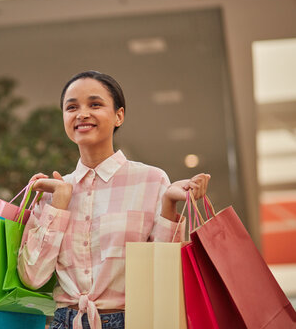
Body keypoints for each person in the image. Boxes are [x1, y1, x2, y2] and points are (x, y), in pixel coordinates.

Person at [17, 70, 210, 329]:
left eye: (95, 104)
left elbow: (164, 275)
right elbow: (32, 277)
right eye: (71, 107)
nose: (82, 113)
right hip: (65, 322)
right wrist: (59, 204)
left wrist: (168, 205)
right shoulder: (53, 191)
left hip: (133, 321)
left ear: (119, 115)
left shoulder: (151, 180)